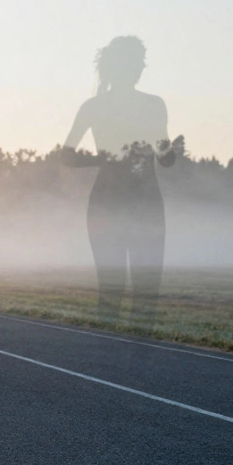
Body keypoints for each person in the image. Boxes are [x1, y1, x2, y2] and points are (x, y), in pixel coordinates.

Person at [62, 35, 183, 326]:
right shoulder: (102, 106)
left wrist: (172, 150)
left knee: (140, 289)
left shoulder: (148, 105)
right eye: (136, 63)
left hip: (133, 202)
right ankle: (115, 361)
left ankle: (129, 363)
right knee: (120, 288)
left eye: (141, 63)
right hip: (118, 202)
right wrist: (104, 158)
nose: (140, 68)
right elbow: (65, 156)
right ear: (119, 67)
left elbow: (164, 157)